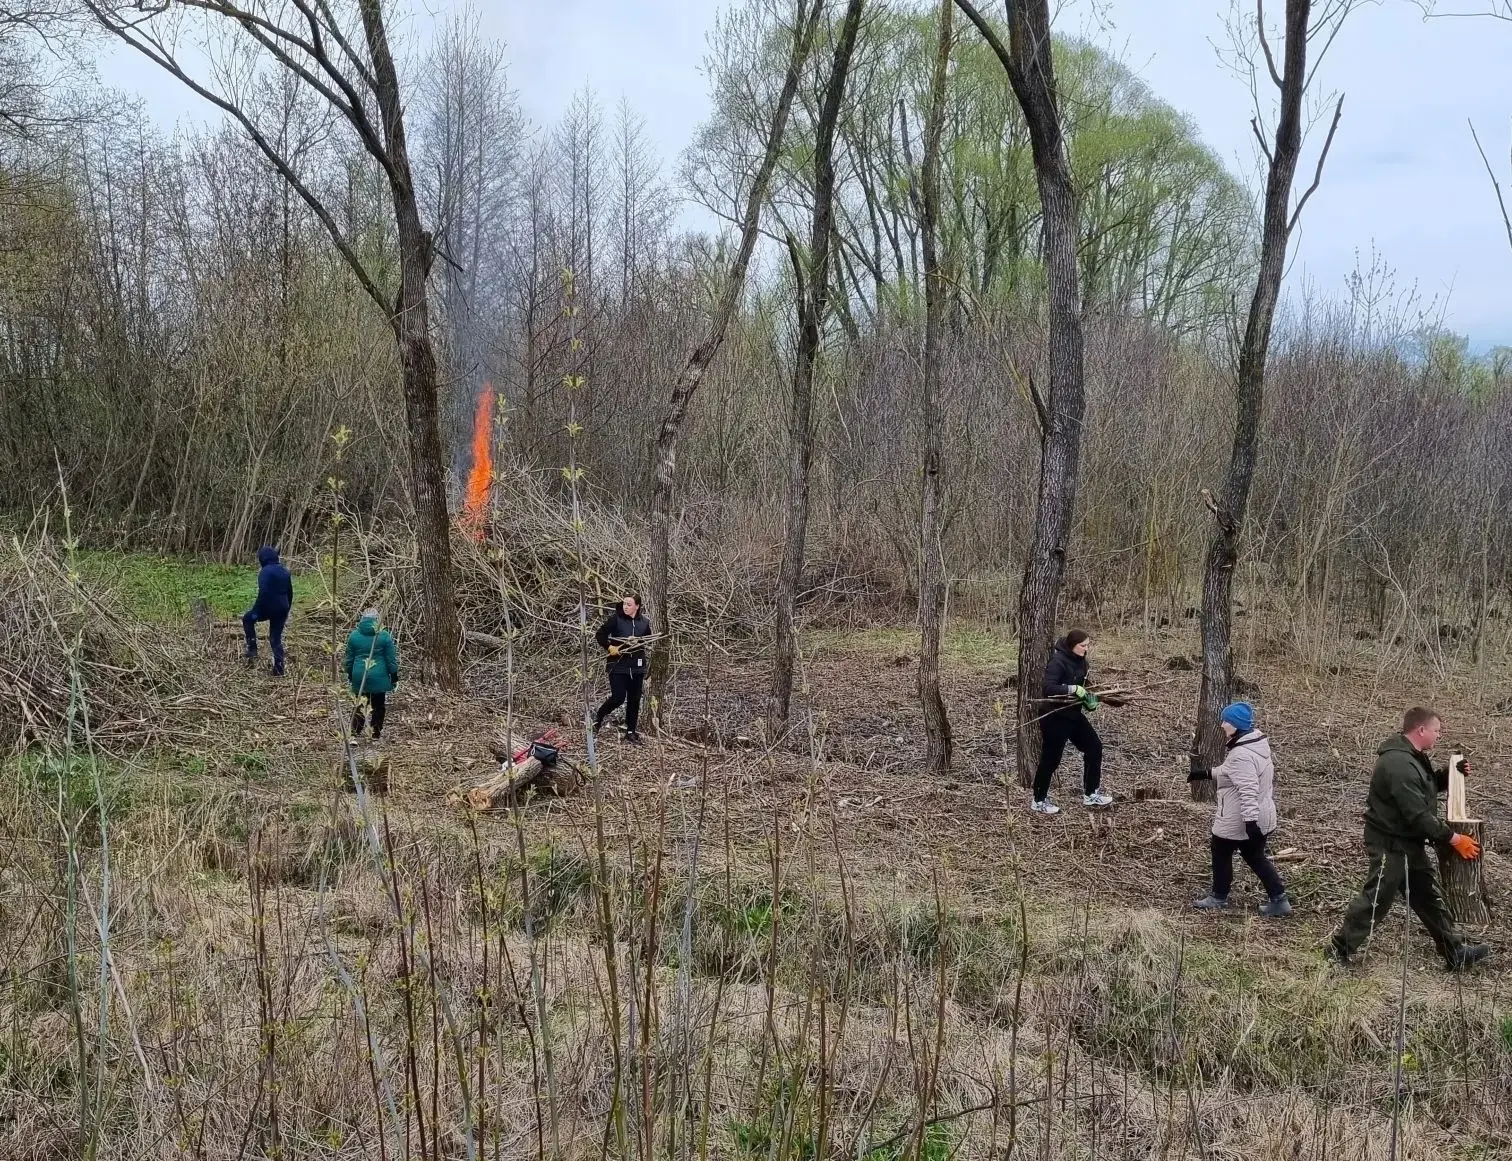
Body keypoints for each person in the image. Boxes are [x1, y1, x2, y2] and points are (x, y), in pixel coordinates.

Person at [1328, 707, 1491, 971]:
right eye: (1437, 730)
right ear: (1421, 730)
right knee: (1377, 898)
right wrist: (1452, 838)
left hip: (1407, 843)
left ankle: (1455, 952)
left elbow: (1423, 788)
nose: (1439, 735)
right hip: (1389, 843)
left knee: (1427, 896)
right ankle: (1338, 951)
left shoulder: (1412, 756)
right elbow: (1417, 814)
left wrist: (1449, 775)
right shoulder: (1398, 763)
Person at [1192, 702, 1291, 916]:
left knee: (1220, 850)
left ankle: (1218, 897)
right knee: (1255, 856)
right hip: (1263, 813)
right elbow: (1232, 771)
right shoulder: (1255, 745)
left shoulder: (1241, 754)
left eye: (1226, 721)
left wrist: (1250, 823)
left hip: (1239, 817)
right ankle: (1279, 899)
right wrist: (1206, 774)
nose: (1222, 725)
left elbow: (1248, 789)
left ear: (1236, 725)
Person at [1031, 629, 1112, 814]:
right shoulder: (1058, 661)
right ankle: (1039, 800)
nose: (1086, 649)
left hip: (1073, 714)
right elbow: (1048, 688)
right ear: (1071, 645)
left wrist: (1089, 700)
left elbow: (1085, 686)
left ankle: (1091, 794)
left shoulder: (1082, 662)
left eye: (1088, 645)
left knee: (1094, 747)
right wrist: (1072, 689)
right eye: (1082, 645)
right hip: (1054, 716)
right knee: (1051, 759)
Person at [593, 594, 652, 743]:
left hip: (637, 666)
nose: (625, 606)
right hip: (618, 665)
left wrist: (638, 642)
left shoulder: (644, 623)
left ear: (637, 606)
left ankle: (631, 731)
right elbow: (600, 635)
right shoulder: (616, 619)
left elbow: (647, 639)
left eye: (629, 604)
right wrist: (609, 647)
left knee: (634, 699)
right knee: (618, 697)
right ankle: (598, 717)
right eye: (624, 603)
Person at [345, 607, 399, 742]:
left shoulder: (354, 636)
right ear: (377, 620)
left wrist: (350, 674)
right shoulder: (384, 636)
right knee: (378, 705)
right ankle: (375, 732)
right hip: (379, 676)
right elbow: (390, 659)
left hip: (359, 675)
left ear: (362, 619)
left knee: (359, 705)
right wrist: (394, 676)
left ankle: (354, 733)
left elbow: (349, 660)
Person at [242, 545, 293, 676]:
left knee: (247, 619)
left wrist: (256, 611)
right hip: (282, 608)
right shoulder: (285, 571)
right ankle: (279, 669)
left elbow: (263, 593)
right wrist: (287, 610)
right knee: (275, 638)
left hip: (268, 607)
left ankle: (252, 649)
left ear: (262, 559)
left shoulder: (265, 572)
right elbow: (290, 593)